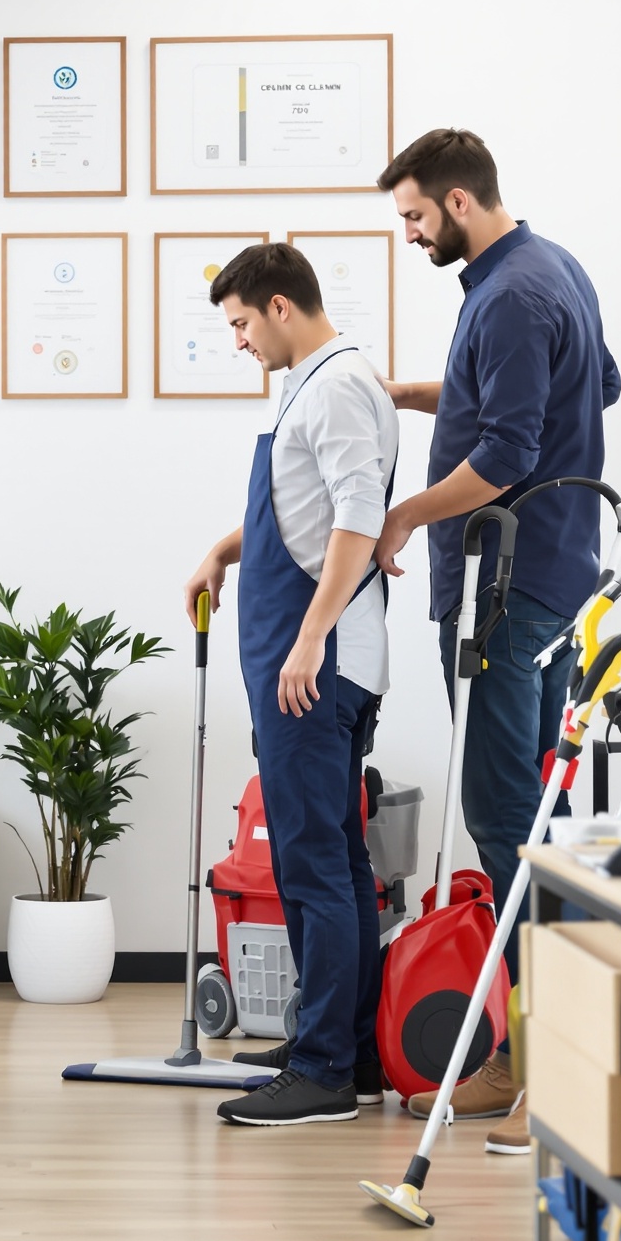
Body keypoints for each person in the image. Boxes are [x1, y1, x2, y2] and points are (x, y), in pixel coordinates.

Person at [372, 129, 621, 1151]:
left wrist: (406, 515)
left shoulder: (511, 294)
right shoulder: (546, 269)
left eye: (416, 216)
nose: (412, 233)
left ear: (462, 200)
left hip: (507, 583)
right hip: (553, 574)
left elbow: (510, 451)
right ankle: (540, 1050)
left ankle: (547, 1066)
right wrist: (413, 395)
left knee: (506, 815)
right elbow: (588, 387)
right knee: (532, 815)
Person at [185, 245, 399, 1127]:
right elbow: (299, 505)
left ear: (279, 306)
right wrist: (221, 549)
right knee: (333, 860)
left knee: (313, 864)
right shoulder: (307, 384)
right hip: (303, 659)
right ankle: (342, 1047)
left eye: (240, 324)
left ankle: (322, 1071)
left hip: (317, 665)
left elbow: (358, 516)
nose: (238, 341)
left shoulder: (341, 383)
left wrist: (310, 639)